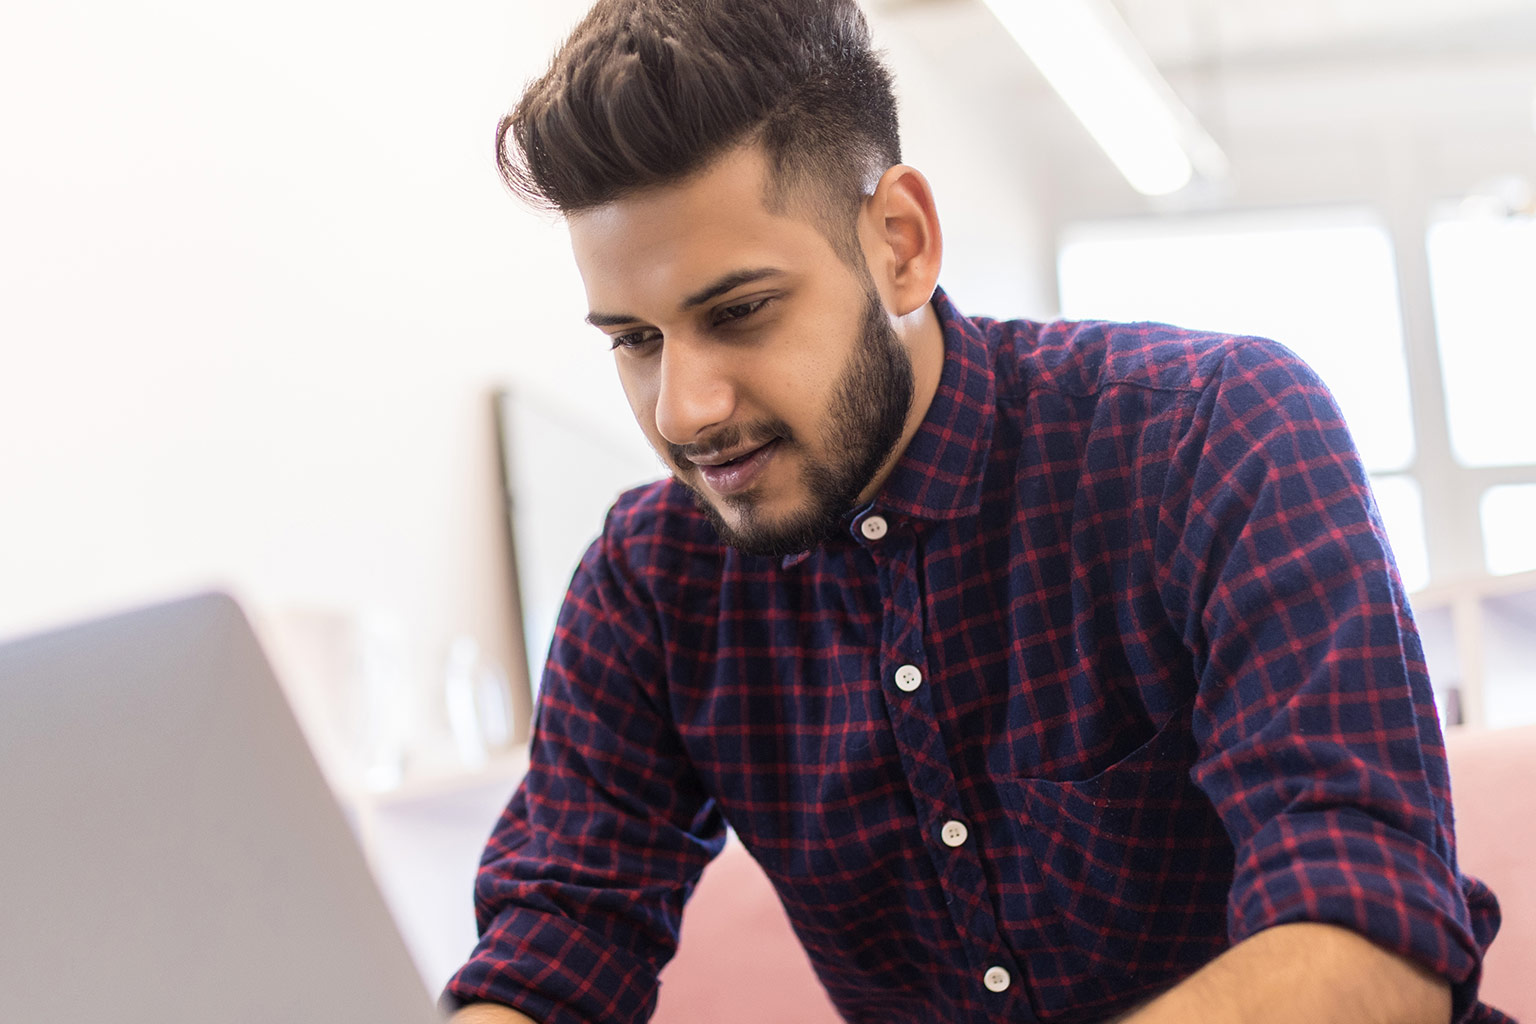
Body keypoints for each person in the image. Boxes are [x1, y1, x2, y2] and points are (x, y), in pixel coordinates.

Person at [443, 1, 1508, 1022]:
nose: (685, 410)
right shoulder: (648, 586)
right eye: (635, 340)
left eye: (741, 311)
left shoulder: (1215, 435)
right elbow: (552, 955)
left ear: (900, 243)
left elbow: (1372, 941)